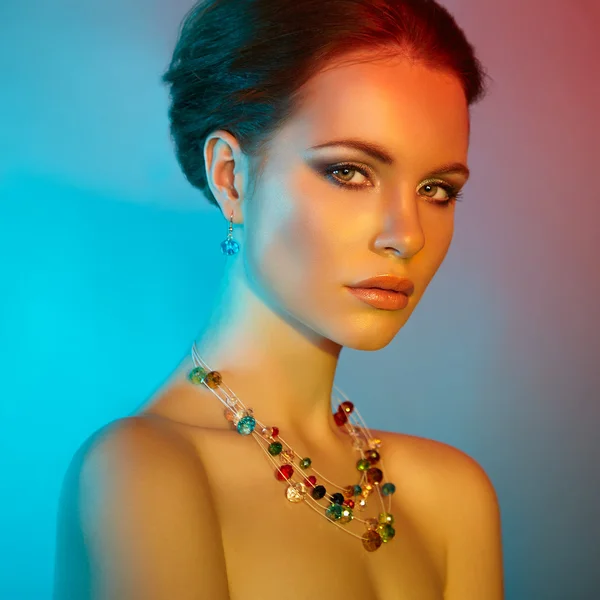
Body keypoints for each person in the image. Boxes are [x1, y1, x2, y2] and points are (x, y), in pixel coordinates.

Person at [53, 0, 504, 598]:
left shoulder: (454, 494)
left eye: (437, 189)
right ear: (231, 177)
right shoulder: (145, 474)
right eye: (349, 172)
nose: (407, 235)